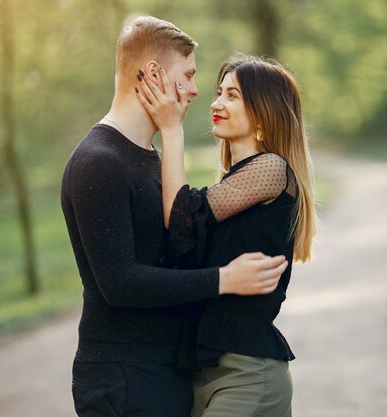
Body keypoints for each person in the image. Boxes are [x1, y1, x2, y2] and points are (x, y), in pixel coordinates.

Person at [60, 17, 289, 417]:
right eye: (188, 75)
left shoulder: (147, 160)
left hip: (168, 371)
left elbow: (182, 230)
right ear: (153, 75)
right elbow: (120, 284)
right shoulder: (99, 161)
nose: (197, 91)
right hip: (124, 375)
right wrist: (223, 280)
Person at [135, 54, 318, 416]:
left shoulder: (271, 168)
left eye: (232, 95)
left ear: (264, 112)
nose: (216, 103)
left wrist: (171, 130)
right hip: (208, 372)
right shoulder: (232, 187)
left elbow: (181, 217)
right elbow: (183, 241)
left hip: (248, 374)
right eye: (219, 93)